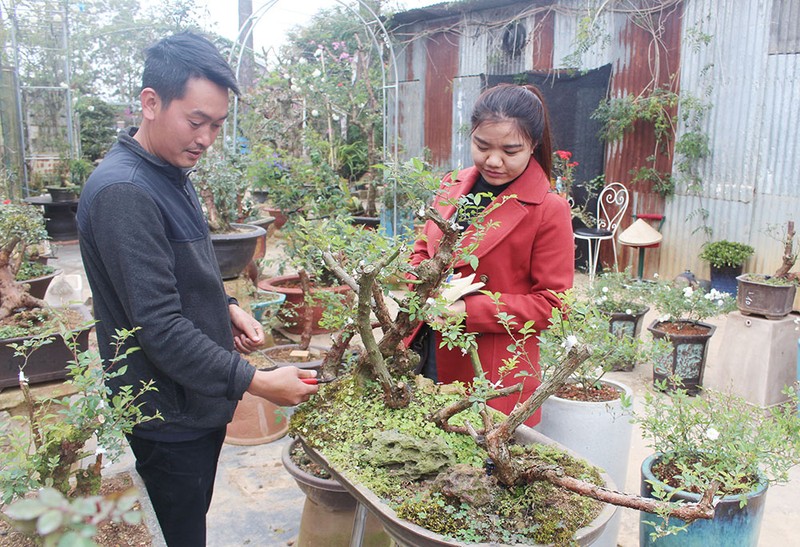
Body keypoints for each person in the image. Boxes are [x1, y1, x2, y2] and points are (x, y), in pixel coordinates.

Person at [77, 31, 318, 545]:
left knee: (192, 516)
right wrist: (258, 382)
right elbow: (159, 327)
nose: (206, 138)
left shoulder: (168, 172)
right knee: (184, 531)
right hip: (167, 411)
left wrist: (224, 306)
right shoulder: (126, 192)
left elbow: (179, 274)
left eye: (216, 125)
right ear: (150, 103)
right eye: (195, 121)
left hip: (192, 398)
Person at [409, 83, 574, 426]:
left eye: (510, 151)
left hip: (489, 366)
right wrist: (420, 283)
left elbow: (553, 304)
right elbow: (423, 247)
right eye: (482, 146)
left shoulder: (548, 209)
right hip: (423, 344)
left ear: (534, 145)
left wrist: (466, 310)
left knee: (476, 465)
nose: (493, 160)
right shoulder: (452, 184)